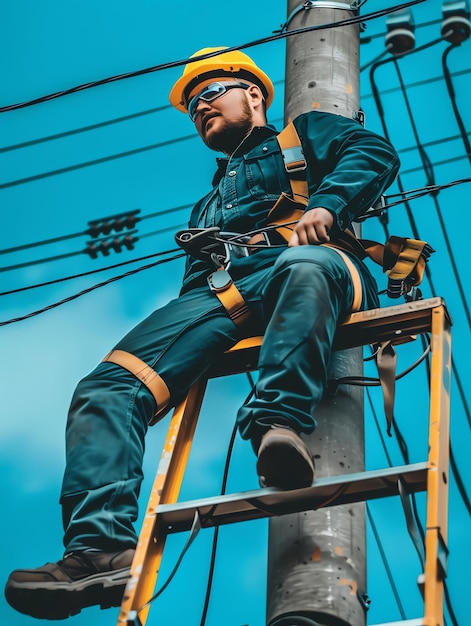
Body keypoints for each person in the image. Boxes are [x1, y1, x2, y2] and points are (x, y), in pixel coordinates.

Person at [5, 47, 400, 620]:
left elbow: (372, 150)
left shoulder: (303, 135)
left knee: (304, 265)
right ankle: (99, 550)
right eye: (192, 107)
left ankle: (277, 422)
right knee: (108, 389)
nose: (199, 109)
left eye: (210, 94)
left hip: (319, 265)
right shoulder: (210, 202)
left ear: (254, 95)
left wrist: (329, 204)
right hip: (221, 292)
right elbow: (197, 287)